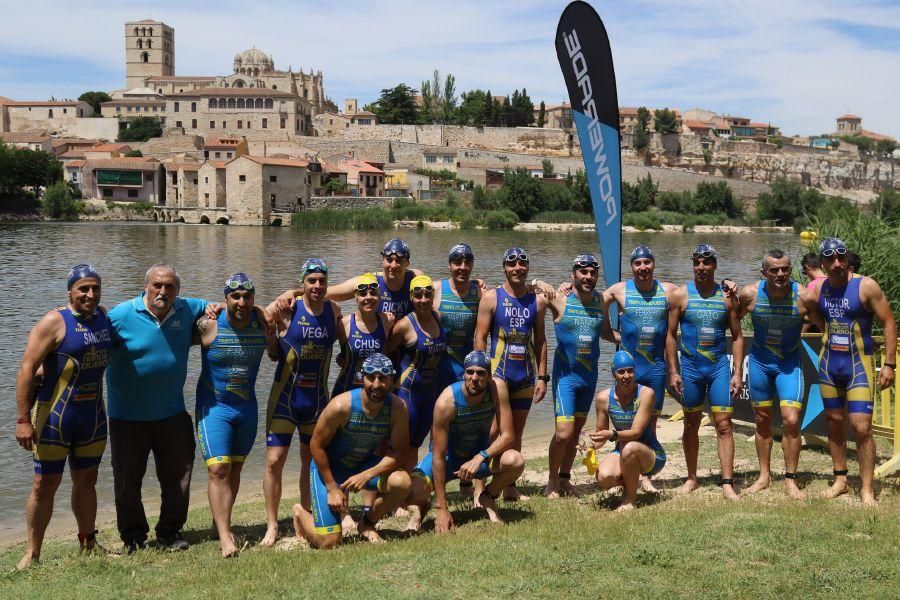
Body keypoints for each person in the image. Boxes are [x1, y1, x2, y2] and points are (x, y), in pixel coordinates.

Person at [106, 264, 210, 553]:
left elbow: (214, 306)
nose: (163, 291)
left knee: (179, 479)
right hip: (127, 417)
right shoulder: (120, 316)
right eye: (157, 285)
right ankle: (134, 537)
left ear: (178, 290)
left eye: (170, 286)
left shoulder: (186, 309)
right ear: (146, 287)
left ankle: (169, 532)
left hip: (172, 414)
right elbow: (88, 342)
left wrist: (215, 311)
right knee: (127, 483)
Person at [14, 265, 112, 570]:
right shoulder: (54, 321)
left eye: (95, 288)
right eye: (83, 289)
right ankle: (33, 552)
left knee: (87, 481)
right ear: (70, 291)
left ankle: (88, 542)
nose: (90, 294)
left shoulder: (104, 318)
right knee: (45, 484)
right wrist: (22, 419)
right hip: (53, 418)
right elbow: (27, 369)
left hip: (92, 417)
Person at [262, 258, 344, 546]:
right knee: (274, 461)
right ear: (303, 283)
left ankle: (305, 514)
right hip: (285, 398)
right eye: (311, 281)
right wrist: (284, 297)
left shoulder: (333, 310)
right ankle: (272, 525)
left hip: (317, 401)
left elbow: (345, 349)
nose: (318, 286)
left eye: (322, 281)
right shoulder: (289, 308)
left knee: (310, 460)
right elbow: (260, 317)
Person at [292, 353, 412, 548]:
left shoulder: (398, 408)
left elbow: (399, 453)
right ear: (361, 377)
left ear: (392, 379)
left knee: (403, 482)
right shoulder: (341, 406)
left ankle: (367, 523)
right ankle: (300, 513)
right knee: (329, 542)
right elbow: (316, 445)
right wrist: (332, 488)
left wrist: (368, 474)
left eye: (383, 378)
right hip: (329, 469)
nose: (376, 384)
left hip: (362, 465)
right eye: (370, 377)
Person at [195, 273, 276, 557]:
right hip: (214, 407)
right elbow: (172, 331)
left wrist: (267, 318)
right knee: (218, 469)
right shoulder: (209, 325)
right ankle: (225, 537)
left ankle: (223, 522)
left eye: (247, 297)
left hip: (247, 407)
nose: (241, 302)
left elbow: (275, 352)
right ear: (225, 298)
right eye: (235, 297)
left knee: (235, 470)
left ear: (253, 299)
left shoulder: (262, 323)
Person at [733, 251, 825, 500]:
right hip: (761, 364)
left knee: (792, 420)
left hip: (789, 365)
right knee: (762, 419)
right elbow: (733, 320)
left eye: (785, 269)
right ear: (763, 272)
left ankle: (790, 479)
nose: (780, 274)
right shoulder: (750, 294)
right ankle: (764, 476)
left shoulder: (804, 296)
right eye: (774, 270)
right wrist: (727, 292)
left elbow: (825, 328)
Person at [812, 238, 896, 506]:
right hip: (829, 364)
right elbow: (807, 310)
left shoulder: (865, 285)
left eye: (841, 258)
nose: (837, 264)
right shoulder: (821, 288)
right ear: (823, 263)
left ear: (846, 259)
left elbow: (889, 321)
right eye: (831, 260)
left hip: (859, 366)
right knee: (834, 423)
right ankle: (840, 480)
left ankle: (867, 488)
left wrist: (890, 364)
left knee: (861, 427)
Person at [406, 351, 524, 531]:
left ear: (489, 376)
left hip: (480, 458)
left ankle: (488, 497)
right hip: (449, 460)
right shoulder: (447, 402)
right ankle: (424, 507)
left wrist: (480, 457)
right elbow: (438, 454)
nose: (474, 378)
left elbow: (508, 436)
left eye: (480, 373)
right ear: (464, 375)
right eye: (470, 372)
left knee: (516, 461)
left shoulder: (497, 388)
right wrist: (442, 507)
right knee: (411, 491)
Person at [666, 244, 744, 500]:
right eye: (697, 263)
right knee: (691, 424)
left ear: (715, 266)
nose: (702, 267)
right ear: (693, 266)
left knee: (724, 425)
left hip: (718, 368)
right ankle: (691, 478)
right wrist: (674, 371)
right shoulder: (680, 295)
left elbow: (738, 336)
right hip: (690, 369)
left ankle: (727, 483)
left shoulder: (727, 296)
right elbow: (670, 335)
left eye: (707, 263)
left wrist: (737, 373)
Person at [474, 246, 551, 501]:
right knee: (494, 432)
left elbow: (541, 340)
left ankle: (508, 486)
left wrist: (542, 377)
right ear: (504, 268)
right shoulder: (491, 298)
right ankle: (478, 486)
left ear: (527, 267)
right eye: (512, 264)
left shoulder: (537, 301)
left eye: (522, 264)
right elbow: (480, 337)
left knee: (516, 432)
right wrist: (480, 373)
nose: (517, 268)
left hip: (526, 375)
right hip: (498, 375)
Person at [545, 254, 609, 498]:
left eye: (593, 272)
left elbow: (605, 333)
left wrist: (627, 341)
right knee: (563, 432)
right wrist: (543, 281)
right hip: (566, 378)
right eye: (583, 272)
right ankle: (551, 481)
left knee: (574, 433)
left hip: (589, 377)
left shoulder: (601, 301)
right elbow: (533, 290)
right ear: (573, 274)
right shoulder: (560, 299)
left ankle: (564, 479)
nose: (589, 277)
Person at [590, 351, 665, 511]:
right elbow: (601, 435)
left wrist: (613, 434)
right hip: (622, 450)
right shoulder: (603, 398)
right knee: (604, 477)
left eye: (630, 371)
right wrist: (589, 445)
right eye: (621, 371)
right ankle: (629, 482)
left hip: (651, 454)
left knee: (629, 447)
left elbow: (636, 432)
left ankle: (630, 500)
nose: (626, 376)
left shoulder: (646, 394)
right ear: (613, 374)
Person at [386, 274, 448, 467]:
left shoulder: (439, 317)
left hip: (429, 394)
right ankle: (391, 491)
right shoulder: (404, 326)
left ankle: (409, 494)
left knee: (415, 446)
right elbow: (386, 353)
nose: (423, 300)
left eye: (427, 295)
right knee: (398, 447)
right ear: (411, 297)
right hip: (407, 394)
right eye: (418, 295)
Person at [325, 238, 423, 318]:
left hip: (406, 339)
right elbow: (325, 294)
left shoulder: (415, 278)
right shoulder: (370, 282)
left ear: (407, 263)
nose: (393, 265)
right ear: (383, 261)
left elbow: (434, 296)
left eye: (399, 261)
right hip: (380, 339)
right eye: (389, 260)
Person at [332, 272, 395, 397]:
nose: (368, 297)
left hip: (377, 390)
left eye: (373, 293)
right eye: (362, 294)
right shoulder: (343, 324)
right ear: (355, 297)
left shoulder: (388, 321)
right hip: (346, 389)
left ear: (379, 296)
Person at [434, 243, 482, 392]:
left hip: (467, 369)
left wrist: (534, 284)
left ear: (472, 266)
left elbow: (507, 294)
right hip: (438, 368)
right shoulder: (435, 289)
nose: (463, 267)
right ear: (449, 265)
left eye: (467, 263)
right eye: (457, 263)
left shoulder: (480, 293)